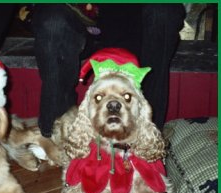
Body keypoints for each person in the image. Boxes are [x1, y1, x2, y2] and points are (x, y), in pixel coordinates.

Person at [30, 4, 186, 136]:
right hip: (80, 15)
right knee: (53, 21)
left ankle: (148, 135)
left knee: (163, 11)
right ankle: (57, 133)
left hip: (136, 18)